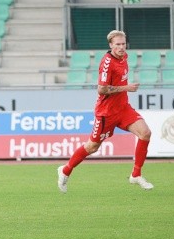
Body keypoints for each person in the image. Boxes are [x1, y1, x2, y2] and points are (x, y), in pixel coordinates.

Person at [57, 30, 154, 193]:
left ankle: (136, 175)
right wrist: (126, 88)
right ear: (111, 45)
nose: (121, 47)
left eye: (123, 44)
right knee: (92, 147)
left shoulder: (124, 57)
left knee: (145, 133)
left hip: (123, 109)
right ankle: (65, 170)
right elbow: (101, 89)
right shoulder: (107, 63)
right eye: (118, 44)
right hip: (106, 114)